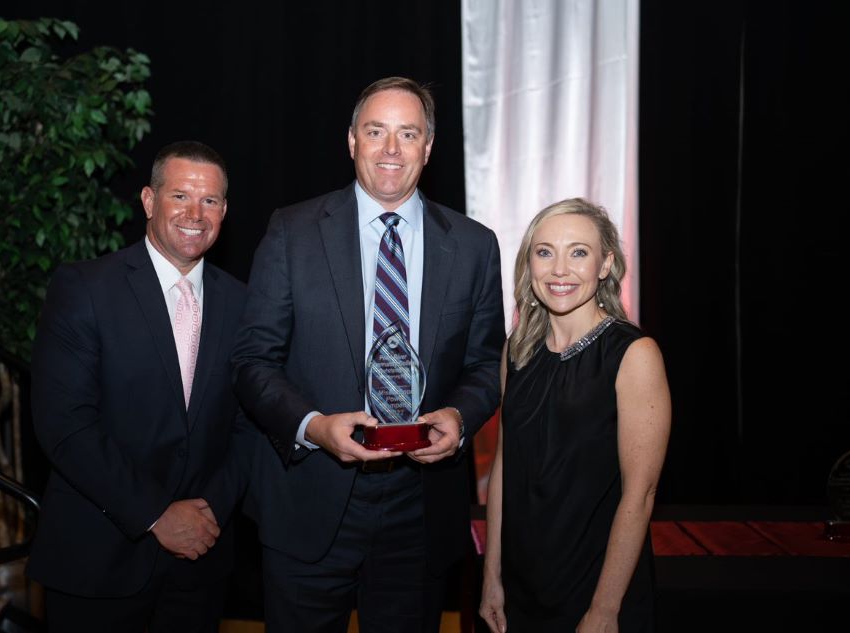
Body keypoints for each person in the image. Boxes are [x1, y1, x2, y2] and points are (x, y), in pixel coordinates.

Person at [233, 76, 505, 633]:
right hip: (310, 496)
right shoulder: (292, 231)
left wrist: (459, 416)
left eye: (408, 134)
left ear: (428, 149)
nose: (390, 149)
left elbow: (485, 364)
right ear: (351, 140)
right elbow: (252, 360)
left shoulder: (475, 245)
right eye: (375, 131)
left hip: (420, 506)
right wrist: (314, 426)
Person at [27, 141, 250, 633]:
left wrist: (205, 515)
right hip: (97, 563)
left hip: (199, 566)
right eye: (180, 197)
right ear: (150, 201)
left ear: (225, 211)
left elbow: (248, 426)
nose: (195, 213)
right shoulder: (85, 288)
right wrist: (154, 515)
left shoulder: (244, 305)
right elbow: (64, 422)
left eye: (210, 201)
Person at [479, 198, 672, 633]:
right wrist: (491, 578)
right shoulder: (517, 351)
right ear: (529, 265)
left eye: (578, 252)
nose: (559, 269)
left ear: (605, 265)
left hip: (595, 587)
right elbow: (505, 468)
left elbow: (639, 495)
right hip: (520, 590)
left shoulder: (634, 355)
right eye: (544, 252)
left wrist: (604, 609)